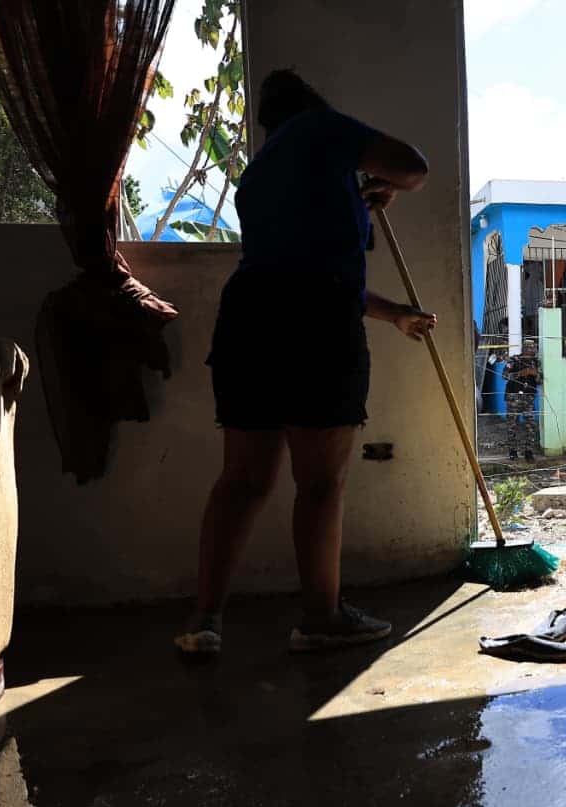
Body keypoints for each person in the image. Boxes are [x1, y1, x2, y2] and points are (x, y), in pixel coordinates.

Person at [175, 69, 435, 656]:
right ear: (314, 106)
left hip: (248, 322)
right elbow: (414, 166)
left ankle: (203, 621)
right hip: (316, 329)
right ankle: (321, 618)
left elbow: (301, 271)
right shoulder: (321, 128)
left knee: (243, 481)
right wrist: (388, 183)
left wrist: (395, 313)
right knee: (318, 484)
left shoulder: (258, 175)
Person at [504, 338, 541, 461]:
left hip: (529, 398)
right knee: (512, 425)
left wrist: (535, 374)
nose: (532, 351)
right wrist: (520, 373)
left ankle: (528, 452)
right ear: (524, 349)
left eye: (533, 349)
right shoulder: (513, 360)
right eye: (530, 349)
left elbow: (540, 381)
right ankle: (513, 451)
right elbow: (504, 376)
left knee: (530, 425)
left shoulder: (536, 362)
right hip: (513, 396)